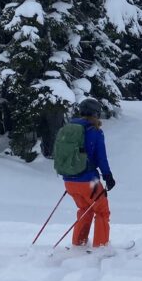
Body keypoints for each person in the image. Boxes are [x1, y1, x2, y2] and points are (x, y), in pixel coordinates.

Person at [60, 98, 116, 248]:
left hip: (69, 181)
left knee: (85, 209)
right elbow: (101, 157)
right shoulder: (95, 131)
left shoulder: (69, 129)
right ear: (95, 113)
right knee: (102, 212)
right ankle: (101, 247)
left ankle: (78, 244)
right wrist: (108, 176)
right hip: (88, 182)